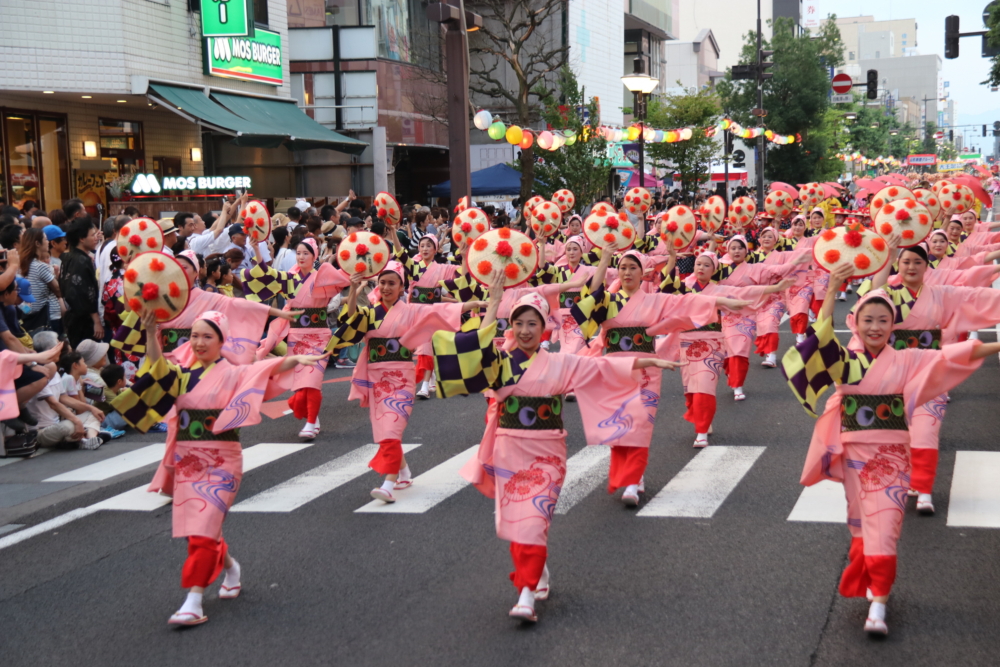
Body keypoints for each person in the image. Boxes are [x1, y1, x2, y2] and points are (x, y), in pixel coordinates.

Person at [433, 276, 680, 622]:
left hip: (548, 452)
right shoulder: (500, 363)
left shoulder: (561, 363)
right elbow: (473, 359)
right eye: (517, 323)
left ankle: (525, 592)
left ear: (545, 326)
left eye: (531, 323)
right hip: (508, 447)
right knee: (520, 522)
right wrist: (492, 305)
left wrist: (648, 362)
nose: (524, 330)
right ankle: (535, 578)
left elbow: (603, 367)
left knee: (533, 520)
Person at [781, 262, 1000, 636]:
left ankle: (879, 604)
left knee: (885, 528)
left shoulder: (908, 359)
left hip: (894, 457)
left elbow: (952, 356)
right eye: (868, 320)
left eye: (884, 320)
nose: (876, 327)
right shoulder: (845, 361)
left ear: (892, 325)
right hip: (854, 456)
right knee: (862, 529)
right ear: (854, 323)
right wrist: (832, 290)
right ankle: (868, 580)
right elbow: (817, 339)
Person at [111, 309, 328, 626]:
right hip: (188, 460)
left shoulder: (235, 372)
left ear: (222, 340)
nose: (198, 342)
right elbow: (158, 371)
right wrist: (149, 335)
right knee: (197, 531)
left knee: (201, 532)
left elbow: (266, 368)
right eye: (194, 336)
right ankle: (231, 567)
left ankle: (194, 601)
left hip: (222, 460)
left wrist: (298, 360)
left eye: (207, 336)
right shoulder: (182, 374)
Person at [572, 244, 750, 505]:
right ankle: (634, 475)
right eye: (622, 268)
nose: (627, 272)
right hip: (614, 371)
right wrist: (605, 261)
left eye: (633, 267)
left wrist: (722, 301)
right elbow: (588, 297)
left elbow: (686, 301)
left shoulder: (654, 300)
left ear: (643, 271)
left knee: (640, 426)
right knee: (619, 428)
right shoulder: (609, 301)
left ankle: (632, 481)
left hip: (646, 370)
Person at [864, 237, 1000, 513]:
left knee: (926, 430)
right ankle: (903, 479)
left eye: (918, 262)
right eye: (905, 262)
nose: (911, 266)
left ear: (927, 266)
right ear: (897, 265)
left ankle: (924, 489)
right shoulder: (888, 292)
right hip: (892, 370)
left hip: (929, 368)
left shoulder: (941, 293)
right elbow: (872, 296)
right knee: (895, 432)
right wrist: (888, 253)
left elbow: (978, 297)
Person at [329, 262, 485, 502]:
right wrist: (352, 291)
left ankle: (388, 484)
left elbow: (437, 311)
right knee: (384, 431)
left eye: (392, 283)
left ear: (402, 287)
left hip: (401, 378)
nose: (386, 287)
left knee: (391, 428)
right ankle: (404, 472)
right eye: (382, 283)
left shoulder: (412, 310)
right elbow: (352, 320)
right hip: (375, 378)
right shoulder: (371, 312)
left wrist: (468, 304)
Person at [246, 239, 349, 438]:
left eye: (306, 253)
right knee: (302, 383)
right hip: (296, 337)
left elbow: (345, 277)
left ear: (314, 256)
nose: (301, 257)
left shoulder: (324, 275)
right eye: (298, 253)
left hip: (319, 336)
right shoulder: (289, 276)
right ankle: (312, 418)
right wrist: (257, 249)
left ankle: (310, 422)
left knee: (312, 379)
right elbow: (266, 275)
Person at [59, 217, 102, 347]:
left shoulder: (69, 257)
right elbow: (85, 293)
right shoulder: (81, 261)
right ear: (82, 238)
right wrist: (96, 321)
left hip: (74, 318)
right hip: (84, 321)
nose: (96, 238)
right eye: (93, 235)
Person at [19, 228, 61, 334]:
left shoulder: (22, 265)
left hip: (30, 315)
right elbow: (58, 290)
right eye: (46, 239)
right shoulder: (40, 266)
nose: (48, 242)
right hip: (48, 316)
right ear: (37, 243)